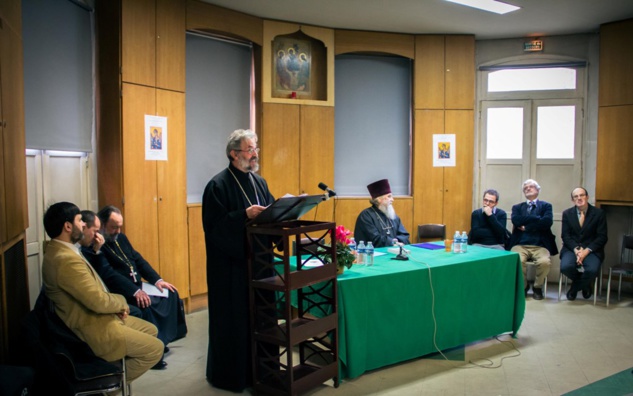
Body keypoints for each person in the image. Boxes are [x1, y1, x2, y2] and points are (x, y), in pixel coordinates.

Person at [41, 202, 163, 383]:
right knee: (155, 349)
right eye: (80, 220)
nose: (83, 224)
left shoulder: (64, 251)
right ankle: (110, 386)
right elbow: (97, 301)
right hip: (91, 327)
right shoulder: (64, 259)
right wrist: (121, 304)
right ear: (67, 226)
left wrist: (115, 307)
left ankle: (113, 374)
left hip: (97, 315)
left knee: (151, 329)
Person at [202, 129, 277, 392]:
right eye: (249, 149)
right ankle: (232, 376)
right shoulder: (217, 186)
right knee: (235, 322)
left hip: (261, 264)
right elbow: (214, 229)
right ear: (234, 154)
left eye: (256, 148)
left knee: (261, 318)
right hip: (232, 269)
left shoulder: (260, 182)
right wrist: (244, 214)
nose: (255, 154)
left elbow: (271, 215)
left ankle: (264, 372)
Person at [82, 206, 186, 370]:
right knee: (145, 304)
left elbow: (138, 259)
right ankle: (152, 350)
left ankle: (163, 340)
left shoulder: (121, 238)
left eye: (120, 226)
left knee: (170, 293)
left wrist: (157, 280)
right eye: (114, 227)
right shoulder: (94, 247)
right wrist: (135, 291)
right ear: (102, 225)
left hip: (138, 285)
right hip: (122, 290)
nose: (118, 230)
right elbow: (108, 274)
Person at [507, 179, 558, 300]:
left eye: (531, 187)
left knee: (545, 262)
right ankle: (523, 287)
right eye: (525, 188)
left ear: (538, 190)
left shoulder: (546, 206)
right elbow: (516, 221)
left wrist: (527, 227)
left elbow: (546, 223)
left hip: (540, 245)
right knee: (517, 260)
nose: (528, 189)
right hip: (520, 244)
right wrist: (536, 218)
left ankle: (537, 287)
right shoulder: (517, 207)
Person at [560, 187, 608, 301]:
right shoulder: (567, 213)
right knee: (566, 267)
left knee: (592, 270)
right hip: (572, 249)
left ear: (587, 197)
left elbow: (602, 237)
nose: (579, 198)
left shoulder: (599, 213)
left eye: (581, 195)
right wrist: (576, 250)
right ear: (572, 200)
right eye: (576, 196)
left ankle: (574, 288)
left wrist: (586, 251)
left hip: (592, 250)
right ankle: (585, 284)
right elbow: (566, 236)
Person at [354, 178, 410, 248]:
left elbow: (404, 235)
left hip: (396, 252)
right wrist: (392, 242)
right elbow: (374, 239)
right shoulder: (366, 216)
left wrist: (396, 242)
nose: (392, 199)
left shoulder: (393, 216)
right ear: (379, 199)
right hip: (374, 254)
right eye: (389, 196)